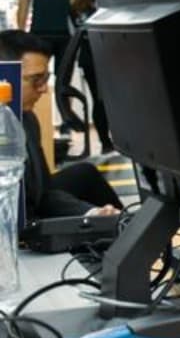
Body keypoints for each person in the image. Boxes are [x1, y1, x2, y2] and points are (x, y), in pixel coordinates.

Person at [0, 30, 120, 219]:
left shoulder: (28, 119)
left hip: (30, 206)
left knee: (84, 174)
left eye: (45, 79)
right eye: (36, 80)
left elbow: (44, 193)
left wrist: (91, 213)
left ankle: (125, 228)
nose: (43, 89)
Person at [67, 0, 114, 152]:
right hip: (107, 56)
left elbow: (73, 35)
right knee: (112, 100)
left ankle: (105, 142)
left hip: (87, 58)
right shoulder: (102, 5)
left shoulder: (74, 8)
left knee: (97, 99)